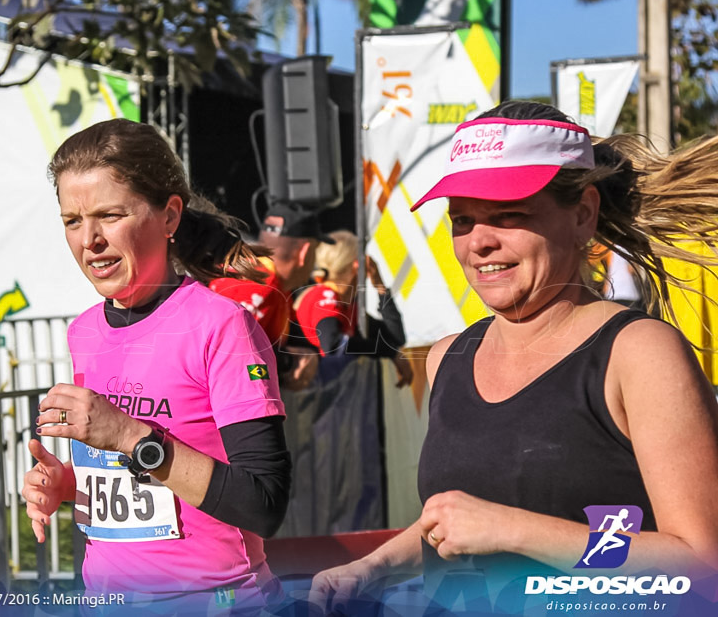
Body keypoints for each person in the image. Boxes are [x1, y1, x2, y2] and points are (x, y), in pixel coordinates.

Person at [310, 101, 718, 612]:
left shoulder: (637, 353)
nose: (479, 242)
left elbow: (701, 565)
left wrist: (514, 530)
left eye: (510, 215)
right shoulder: (447, 359)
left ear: (583, 214)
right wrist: (373, 566)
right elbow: (456, 522)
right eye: (462, 220)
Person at [21, 119, 291, 613]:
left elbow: (263, 505)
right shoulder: (84, 331)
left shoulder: (221, 325)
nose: (90, 240)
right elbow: (143, 485)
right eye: (72, 221)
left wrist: (129, 436)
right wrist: (70, 485)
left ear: (168, 216)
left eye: (109, 215)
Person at [209, 202, 333, 389]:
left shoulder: (272, 285)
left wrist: (303, 359)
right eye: (314, 252)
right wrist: (286, 364)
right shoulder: (259, 287)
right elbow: (233, 363)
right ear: (304, 253)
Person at [294, 229, 412, 387]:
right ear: (357, 266)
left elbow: (396, 338)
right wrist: (389, 352)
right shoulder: (324, 296)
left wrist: (380, 286)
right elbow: (331, 344)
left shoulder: (347, 306)